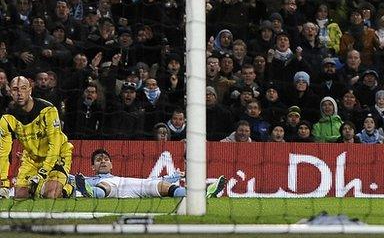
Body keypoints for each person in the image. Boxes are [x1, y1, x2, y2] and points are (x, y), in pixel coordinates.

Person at [0, 76, 75, 199]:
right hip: (32, 159)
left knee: (51, 195)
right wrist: (3, 182)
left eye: (24, 88)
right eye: (15, 89)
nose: (19, 93)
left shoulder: (48, 110)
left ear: (30, 89)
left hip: (57, 155)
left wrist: (43, 172)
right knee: (20, 196)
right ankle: (41, 187)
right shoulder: (6, 118)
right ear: (10, 92)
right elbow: (3, 151)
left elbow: (55, 144)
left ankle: (69, 187)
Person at [75, 149, 226, 199]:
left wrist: (175, 176)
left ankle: (203, 193)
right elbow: (66, 178)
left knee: (161, 185)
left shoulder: (118, 176)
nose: (103, 161)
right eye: (98, 160)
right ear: (92, 166)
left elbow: (156, 178)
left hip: (134, 185)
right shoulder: (85, 179)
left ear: (111, 164)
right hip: (111, 188)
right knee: (105, 185)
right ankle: (92, 193)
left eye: (106, 159)